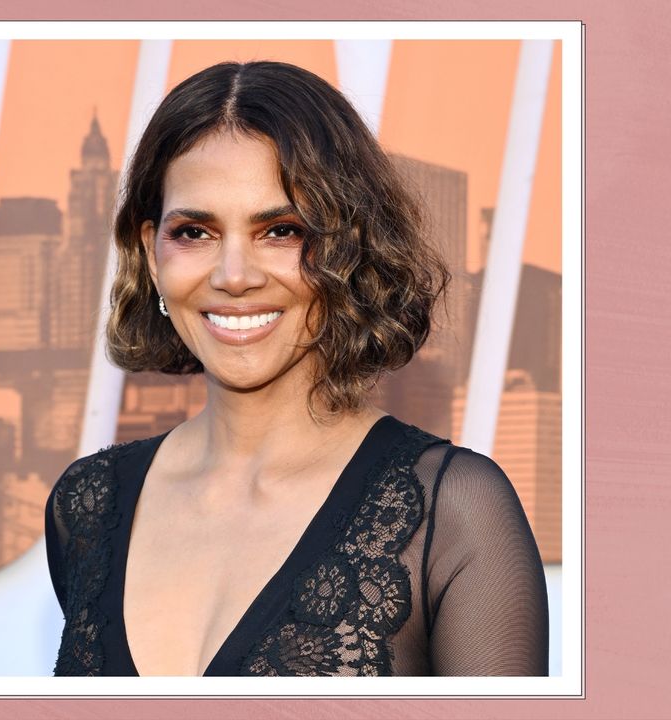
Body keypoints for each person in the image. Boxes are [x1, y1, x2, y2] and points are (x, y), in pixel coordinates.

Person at [45, 60, 548, 677]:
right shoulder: (87, 506)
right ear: (152, 254)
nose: (233, 275)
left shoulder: (454, 513)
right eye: (195, 232)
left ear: (348, 245)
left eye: (281, 230)